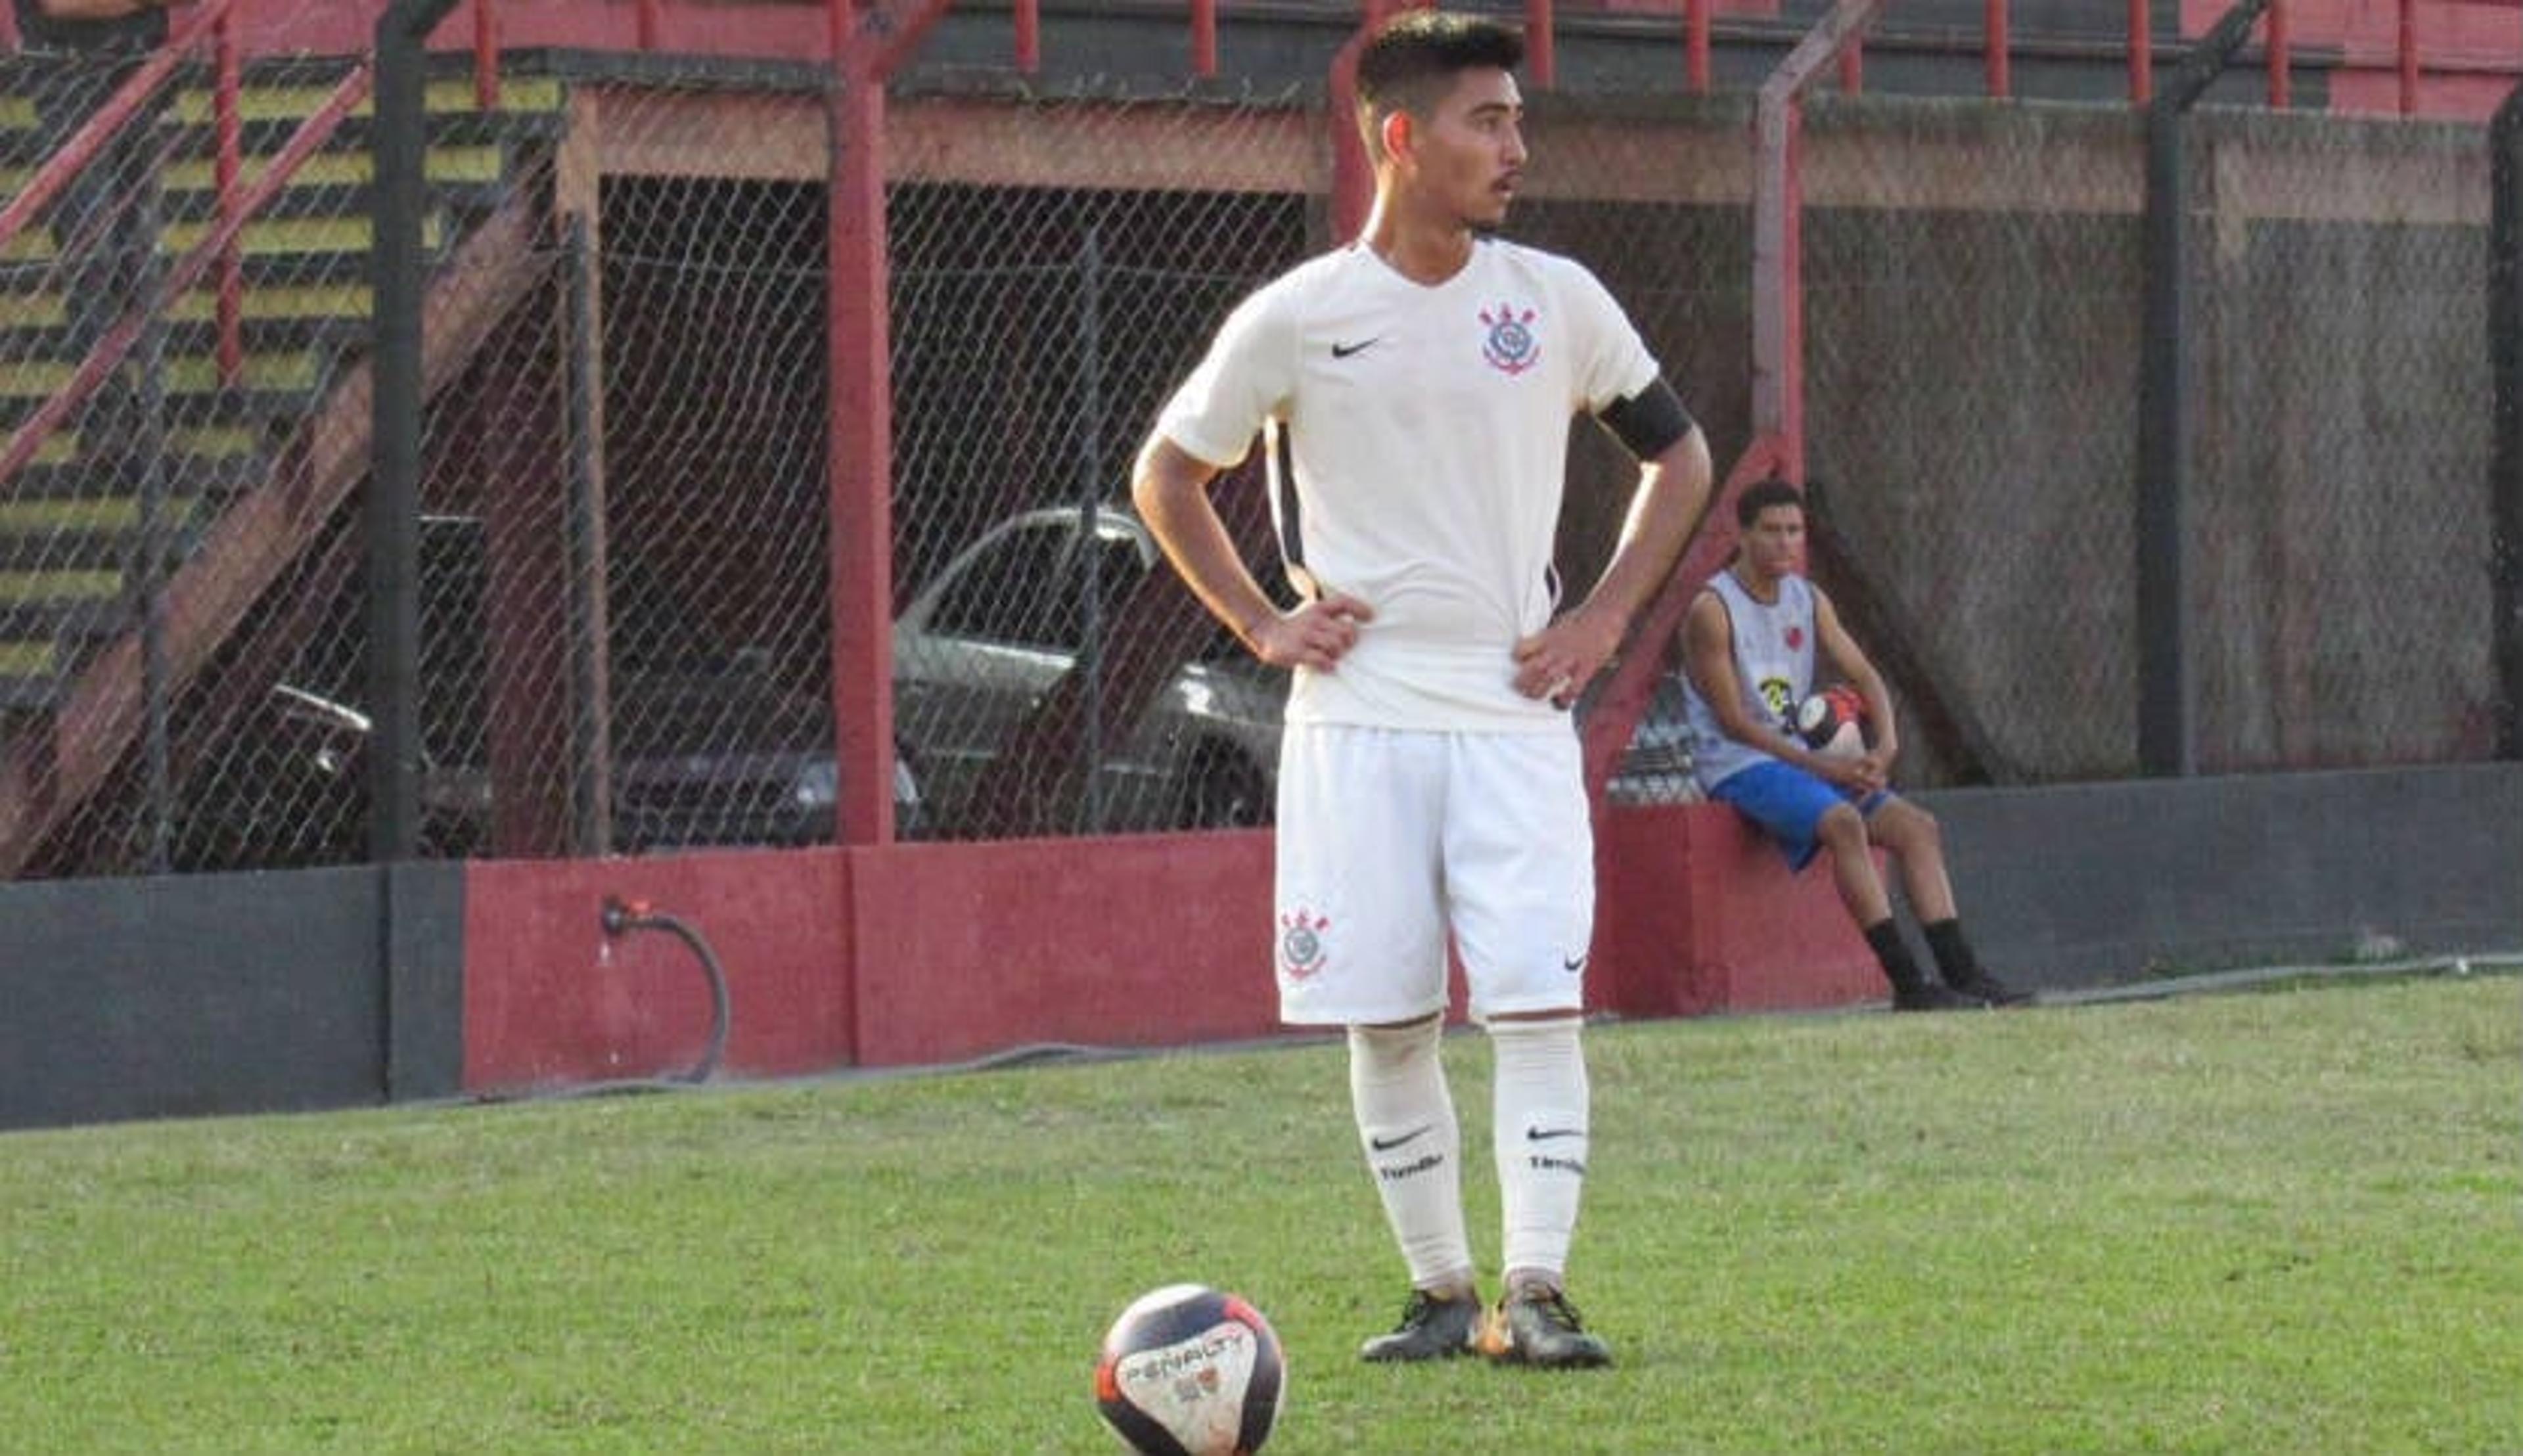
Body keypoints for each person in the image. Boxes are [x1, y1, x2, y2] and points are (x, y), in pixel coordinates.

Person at [1131, 10, 1712, 1370]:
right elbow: (1167, 474)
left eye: (1516, 118)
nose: (1517, 145)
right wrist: (1265, 622)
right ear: (1402, 137)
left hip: (1513, 708)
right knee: (1388, 1011)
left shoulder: (1555, 300)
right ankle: (1443, 1290)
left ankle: (1542, 1286)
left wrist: (1606, 617)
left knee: (1534, 1001)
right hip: (1360, 717)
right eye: (1487, 120)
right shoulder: (1300, 316)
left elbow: (1678, 461)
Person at [1678, 478, 2030, 1012]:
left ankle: (1963, 973)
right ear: (1742, 535)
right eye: (1771, 531)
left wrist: (1884, 747)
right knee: (1844, 822)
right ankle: (1908, 984)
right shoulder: (1713, 608)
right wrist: (1826, 767)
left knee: (1917, 828)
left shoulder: (1808, 598)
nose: (1785, 543)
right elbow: (1733, 722)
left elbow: (1865, 674)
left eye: (1794, 531)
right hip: (1740, 763)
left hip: (1802, 760)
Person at [15, 0, 179, 483]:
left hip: (140, 66)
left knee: (138, 259)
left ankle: (142, 422)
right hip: (68, 69)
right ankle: (105, 422)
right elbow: (63, 5)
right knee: (93, 255)